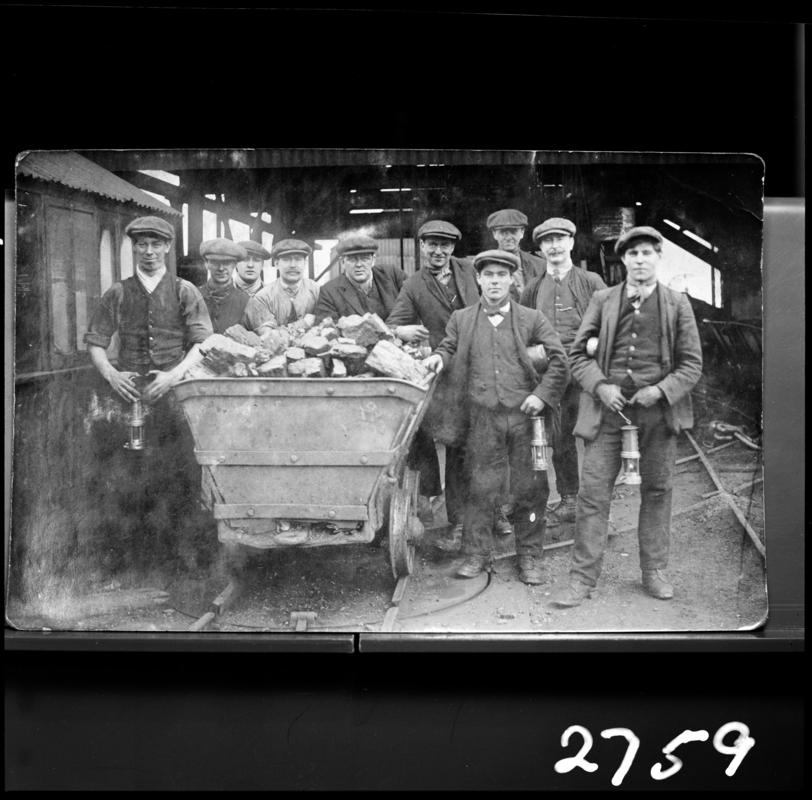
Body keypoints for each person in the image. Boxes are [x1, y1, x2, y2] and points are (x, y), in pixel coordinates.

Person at [550, 226, 703, 607]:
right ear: (623, 260)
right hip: (608, 415)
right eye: (632, 255)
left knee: (657, 491)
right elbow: (577, 355)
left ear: (657, 257)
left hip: (658, 416)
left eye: (646, 254)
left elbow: (692, 364)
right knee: (593, 493)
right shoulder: (602, 299)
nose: (639, 261)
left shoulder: (676, 303)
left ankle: (654, 571)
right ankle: (582, 580)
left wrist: (661, 390)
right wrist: (600, 386)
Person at [424, 250, 569, 584]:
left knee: (531, 488)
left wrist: (540, 395)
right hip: (482, 419)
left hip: (525, 419)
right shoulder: (461, 319)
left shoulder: (532, 319)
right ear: (478, 279)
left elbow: (560, 362)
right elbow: (448, 347)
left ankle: (530, 557)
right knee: (479, 487)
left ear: (511, 280)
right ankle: (476, 554)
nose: (494, 281)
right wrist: (437, 358)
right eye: (488, 275)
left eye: (501, 275)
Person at [83, 215, 214, 572]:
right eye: (142, 244)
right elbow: (96, 342)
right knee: (128, 478)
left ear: (168, 248)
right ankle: (132, 561)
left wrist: (173, 377)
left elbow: (203, 344)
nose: (149, 252)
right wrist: (111, 375)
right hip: (128, 397)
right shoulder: (118, 292)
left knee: (179, 474)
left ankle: (180, 561)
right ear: (134, 248)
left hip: (172, 397)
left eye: (156, 245)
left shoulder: (185, 290)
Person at [386, 220, 480, 546]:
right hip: (444, 377)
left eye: (445, 245)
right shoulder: (413, 285)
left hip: (479, 369)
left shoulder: (470, 271)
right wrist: (405, 332)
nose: (438, 251)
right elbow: (393, 325)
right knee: (447, 446)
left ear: (453, 248)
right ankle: (444, 515)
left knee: (478, 447)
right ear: (422, 247)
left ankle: (476, 519)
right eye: (432, 245)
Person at [520, 217, 607, 529]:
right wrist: (534, 355)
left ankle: (596, 506)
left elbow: (610, 324)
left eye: (560, 239)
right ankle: (569, 500)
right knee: (558, 437)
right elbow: (524, 332)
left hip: (585, 371)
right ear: (540, 248)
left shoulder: (592, 282)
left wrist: (596, 341)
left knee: (595, 437)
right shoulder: (531, 289)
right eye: (547, 241)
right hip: (551, 374)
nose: (554, 246)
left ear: (571, 242)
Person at [314, 234, 406, 323]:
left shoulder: (393, 275)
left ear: (373, 260)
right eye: (352, 259)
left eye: (365, 258)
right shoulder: (328, 292)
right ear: (342, 262)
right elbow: (327, 330)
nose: (359, 265)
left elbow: (413, 305)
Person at [242, 239, 320, 331]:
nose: (293, 265)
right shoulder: (262, 298)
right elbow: (270, 336)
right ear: (276, 264)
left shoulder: (317, 291)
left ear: (305, 263)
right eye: (286, 260)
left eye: (298, 259)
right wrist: (304, 324)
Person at [486, 208, 546, 298]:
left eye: (513, 232)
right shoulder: (484, 265)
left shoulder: (540, 265)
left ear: (522, 232)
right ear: (494, 234)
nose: (509, 237)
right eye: (503, 232)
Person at [198, 238, 250, 334]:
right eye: (215, 262)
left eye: (227, 263)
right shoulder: (194, 296)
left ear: (234, 265)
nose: (221, 268)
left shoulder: (245, 301)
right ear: (206, 264)